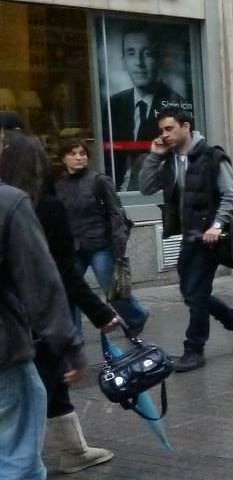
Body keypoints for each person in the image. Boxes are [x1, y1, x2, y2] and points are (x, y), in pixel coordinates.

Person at [0, 130, 120, 473]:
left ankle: (70, 449)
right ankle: (62, 452)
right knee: (38, 389)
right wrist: (76, 336)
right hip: (23, 326)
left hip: (16, 326)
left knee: (42, 386)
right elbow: (54, 275)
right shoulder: (35, 205)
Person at [0, 151, 84, 480]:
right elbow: (42, 283)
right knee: (16, 453)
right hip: (3, 358)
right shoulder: (9, 203)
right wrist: (69, 345)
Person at [137, 105, 233, 371]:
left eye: (170, 129)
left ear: (186, 126)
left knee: (197, 293)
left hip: (211, 238)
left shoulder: (212, 157)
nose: (164, 135)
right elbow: (145, 188)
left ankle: (194, 349)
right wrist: (154, 156)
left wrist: (216, 225)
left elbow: (232, 195)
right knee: (191, 293)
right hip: (188, 237)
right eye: (161, 131)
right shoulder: (168, 159)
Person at [55, 136, 149, 337]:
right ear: (63, 158)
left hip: (100, 244)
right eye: (73, 154)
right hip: (74, 247)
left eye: (82, 154)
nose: (79, 158)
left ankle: (137, 316)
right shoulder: (58, 186)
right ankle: (74, 337)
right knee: (70, 292)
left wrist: (119, 246)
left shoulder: (98, 181)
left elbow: (116, 213)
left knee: (115, 292)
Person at [105, 22, 184, 189]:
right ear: (124, 61)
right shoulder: (113, 104)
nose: (139, 63)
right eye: (131, 53)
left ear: (159, 59)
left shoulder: (176, 102)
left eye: (147, 53)